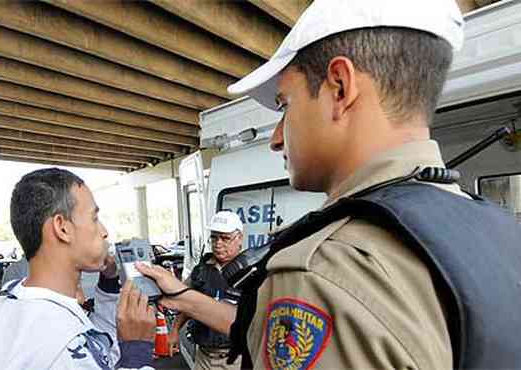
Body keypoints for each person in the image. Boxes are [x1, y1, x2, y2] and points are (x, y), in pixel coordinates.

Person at [136, 0, 521, 369]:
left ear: (339, 88)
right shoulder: (497, 231)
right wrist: (185, 297)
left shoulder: (321, 273)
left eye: (285, 104)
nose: (276, 138)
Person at [0, 168, 155, 370]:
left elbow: (97, 351)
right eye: (94, 219)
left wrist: (109, 283)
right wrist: (136, 353)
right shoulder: (61, 347)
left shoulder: (11, 296)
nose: (104, 232)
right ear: (62, 228)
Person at [169, 211, 244, 370]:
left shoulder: (252, 272)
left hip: (236, 359)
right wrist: (175, 330)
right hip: (203, 356)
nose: (218, 243)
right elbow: (188, 304)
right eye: (214, 237)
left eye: (225, 238)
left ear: (240, 238)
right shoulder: (201, 270)